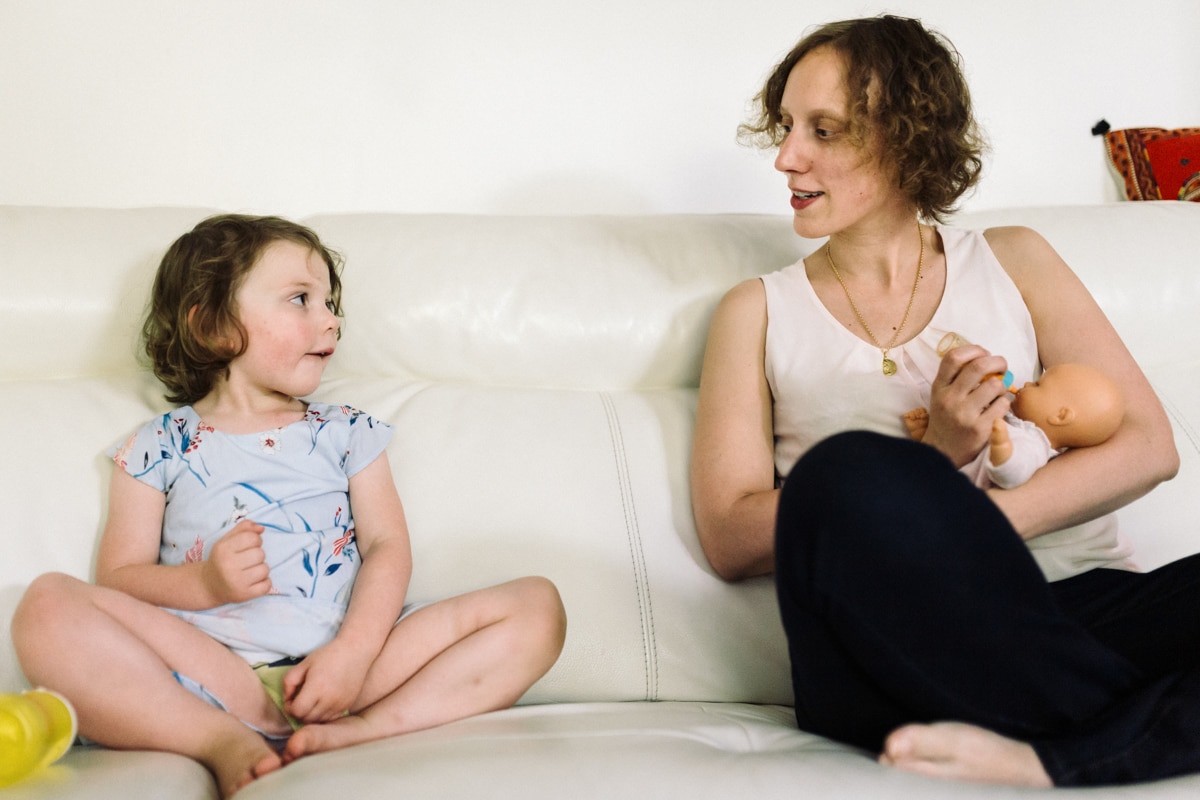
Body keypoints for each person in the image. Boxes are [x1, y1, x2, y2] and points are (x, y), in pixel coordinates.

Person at [690, 14, 1199, 788]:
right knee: (842, 472)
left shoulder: (1014, 259)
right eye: (787, 127)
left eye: (823, 130)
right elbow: (730, 534)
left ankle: (1054, 744)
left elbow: (1148, 447)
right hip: (894, 636)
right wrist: (932, 465)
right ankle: (1124, 725)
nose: (787, 157)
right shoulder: (756, 310)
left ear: (905, 138)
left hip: (1073, 610)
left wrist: (974, 527)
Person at [11, 215, 567, 798]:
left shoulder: (346, 431)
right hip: (210, 666)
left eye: (330, 304)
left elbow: (387, 547)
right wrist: (205, 585)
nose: (330, 320)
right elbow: (119, 579)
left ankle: (365, 730)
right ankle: (218, 739)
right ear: (214, 325)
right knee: (46, 604)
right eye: (301, 299)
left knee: (538, 607)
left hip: (348, 660)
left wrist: (353, 653)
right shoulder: (158, 445)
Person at [904, 357, 1124, 490]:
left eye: (1037, 385)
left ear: (1060, 416)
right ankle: (927, 437)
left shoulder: (1033, 445)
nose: (1027, 383)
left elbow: (1014, 475)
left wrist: (1004, 451)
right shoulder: (1018, 425)